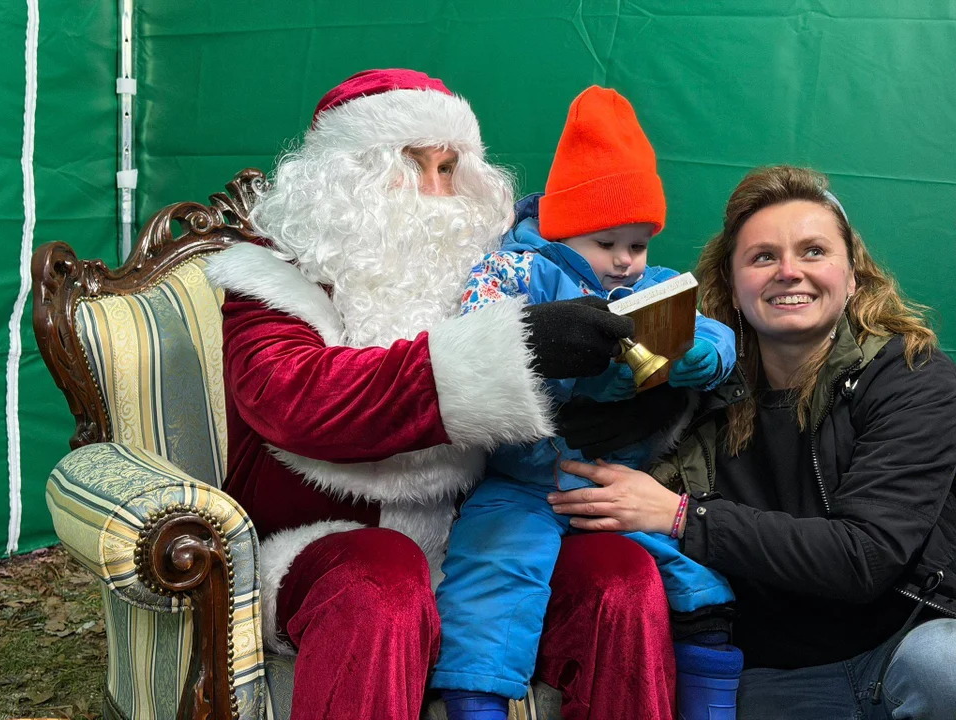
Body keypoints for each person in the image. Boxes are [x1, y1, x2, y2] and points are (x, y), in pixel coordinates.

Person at [206, 68, 676, 720]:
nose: (435, 192)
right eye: (409, 164)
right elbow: (295, 399)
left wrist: (640, 404)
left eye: (449, 168)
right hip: (326, 548)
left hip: (487, 540)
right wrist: (506, 351)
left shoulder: (495, 272)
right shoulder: (274, 278)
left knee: (618, 577)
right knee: (383, 578)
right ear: (344, 176)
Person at [551, 165, 956, 720]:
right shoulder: (692, 388)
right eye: (763, 257)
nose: (789, 272)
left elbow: (865, 557)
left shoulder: (912, 377)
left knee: (946, 663)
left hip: (895, 654)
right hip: (761, 677)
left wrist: (681, 516)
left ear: (853, 277)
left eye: (813, 251)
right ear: (732, 287)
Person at [433, 86, 742, 720]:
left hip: (619, 485)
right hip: (522, 483)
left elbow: (713, 331)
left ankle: (711, 703)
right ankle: (475, 702)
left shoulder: (654, 285)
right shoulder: (513, 272)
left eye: (639, 244)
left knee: (701, 585)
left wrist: (704, 354)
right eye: (607, 243)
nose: (626, 261)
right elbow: (478, 350)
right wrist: (571, 379)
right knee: (491, 576)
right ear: (564, 229)